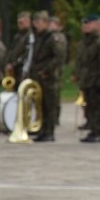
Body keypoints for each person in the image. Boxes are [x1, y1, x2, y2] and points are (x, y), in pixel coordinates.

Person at [28, 11, 65, 142]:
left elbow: (58, 57)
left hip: (49, 76)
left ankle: (49, 131)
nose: (36, 24)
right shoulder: (39, 37)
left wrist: (46, 70)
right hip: (38, 75)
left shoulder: (53, 38)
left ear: (46, 23)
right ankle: (42, 129)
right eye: (35, 22)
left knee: (50, 104)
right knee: (41, 104)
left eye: (38, 22)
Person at [74, 15, 100, 143]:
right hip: (87, 80)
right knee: (89, 107)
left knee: (97, 107)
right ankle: (93, 130)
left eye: (89, 24)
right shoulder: (85, 42)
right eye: (84, 24)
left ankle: (98, 131)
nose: (85, 26)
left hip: (96, 80)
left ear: (97, 25)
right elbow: (81, 61)